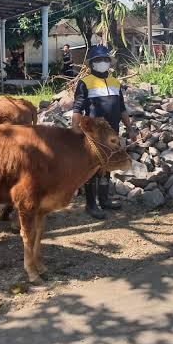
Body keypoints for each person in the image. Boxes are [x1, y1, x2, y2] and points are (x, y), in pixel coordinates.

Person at [72, 45, 138, 219]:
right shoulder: (85, 82)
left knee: (107, 165)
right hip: (93, 133)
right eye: (98, 60)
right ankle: (91, 205)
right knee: (93, 167)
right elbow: (77, 108)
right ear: (92, 63)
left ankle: (104, 200)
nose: (102, 63)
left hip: (112, 133)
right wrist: (74, 130)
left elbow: (122, 108)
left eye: (105, 60)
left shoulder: (116, 83)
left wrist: (130, 129)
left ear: (109, 62)